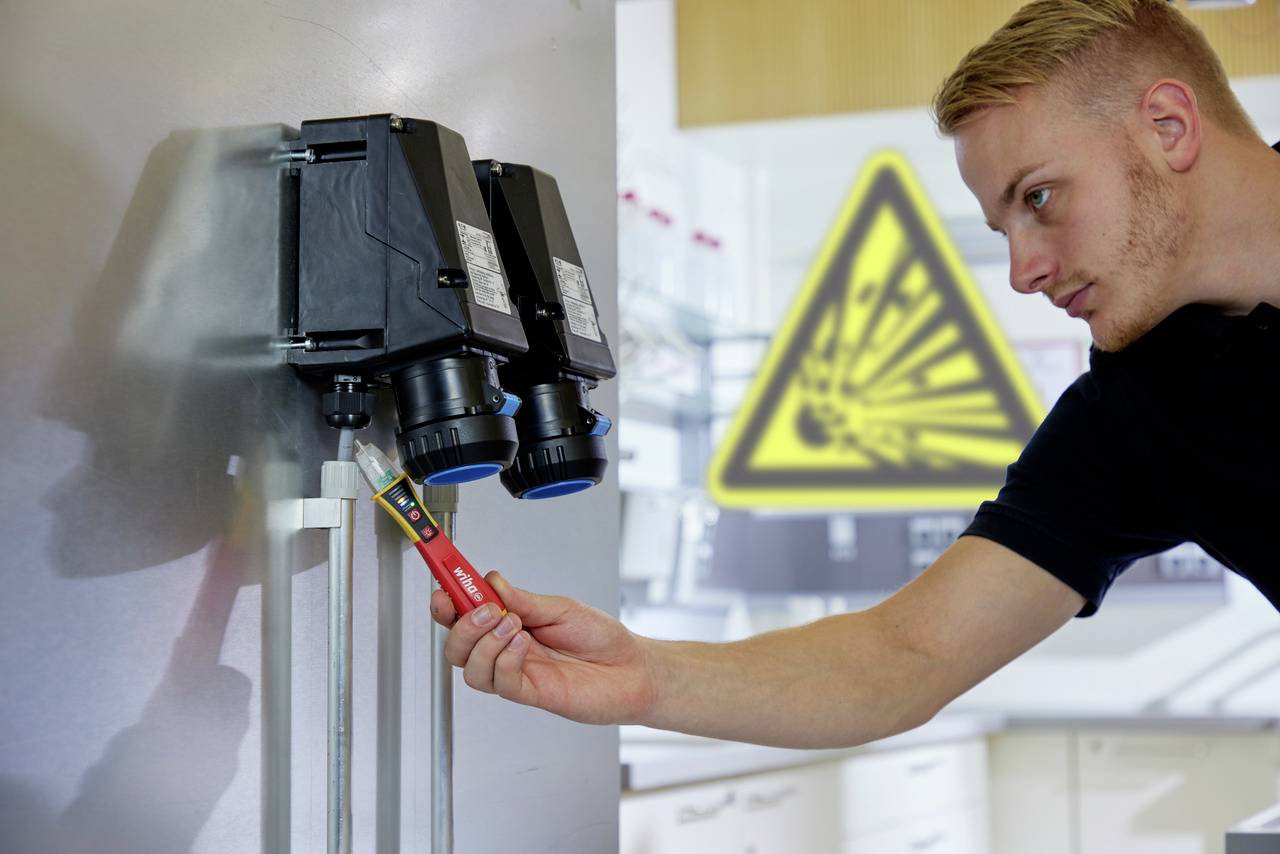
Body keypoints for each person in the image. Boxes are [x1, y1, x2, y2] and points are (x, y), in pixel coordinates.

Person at [430, 0, 1280, 749]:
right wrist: (646, 676)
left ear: (1168, 126)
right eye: (1001, 227)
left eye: (1041, 198)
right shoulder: (1143, 408)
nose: (1023, 271)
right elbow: (904, 655)